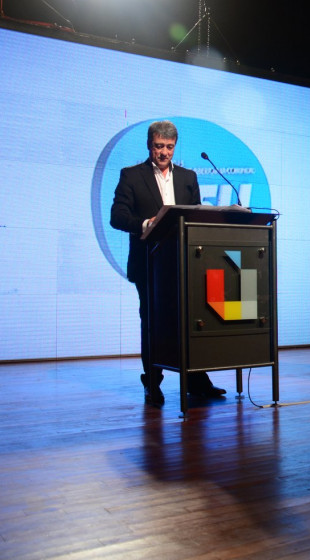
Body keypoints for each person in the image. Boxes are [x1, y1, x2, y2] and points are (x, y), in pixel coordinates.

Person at [110, 120, 226, 405]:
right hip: (149, 263)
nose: (164, 153)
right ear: (149, 145)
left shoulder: (188, 177)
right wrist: (146, 223)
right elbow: (117, 216)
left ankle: (198, 380)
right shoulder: (131, 176)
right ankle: (152, 382)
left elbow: (196, 217)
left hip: (186, 265)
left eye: (169, 147)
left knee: (193, 322)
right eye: (159, 146)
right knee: (153, 324)